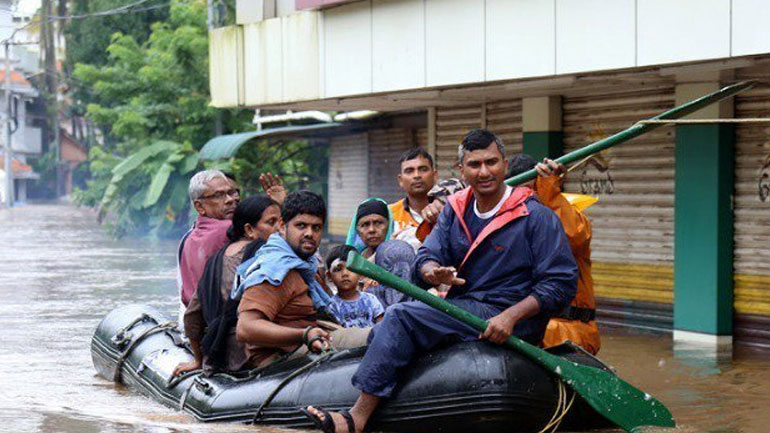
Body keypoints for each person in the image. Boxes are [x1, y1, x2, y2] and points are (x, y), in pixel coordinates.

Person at [302, 129, 578, 433]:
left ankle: (356, 418)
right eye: (475, 165)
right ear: (462, 170)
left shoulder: (536, 215)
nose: (484, 172)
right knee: (397, 316)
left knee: (401, 316)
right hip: (469, 308)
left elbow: (560, 283)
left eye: (492, 162)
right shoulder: (456, 210)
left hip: (513, 315)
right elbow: (428, 254)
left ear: (504, 163)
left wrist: (511, 316)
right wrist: (432, 271)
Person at [234, 191, 370, 368]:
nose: (309, 233)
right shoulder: (275, 269)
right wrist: (305, 334)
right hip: (282, 359)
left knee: (391, 327)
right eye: (301, 226)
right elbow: (245, 329)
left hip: (316, 339)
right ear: (283, 226)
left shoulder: (306, 264)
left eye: (316, 227)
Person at [172, 195, 281, 376]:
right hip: (256, 352)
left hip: (221, 353)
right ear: (249, 230)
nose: (279, 229)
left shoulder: (216, 259)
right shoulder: (266, 257)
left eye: (281, 221)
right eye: (272, 222)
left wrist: (198, 360)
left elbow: (192, 316)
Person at [507, 154, 601, 355]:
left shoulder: (565, 213)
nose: (527, 197)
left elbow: (573, 236)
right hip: (524, 328)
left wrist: (548, 191)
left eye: (532, 189)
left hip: (569, 330)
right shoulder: (507, 221)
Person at [177, 170, 240, 311]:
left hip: (197, 320)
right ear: (199, 206)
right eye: (218, 195)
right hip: (223, 321)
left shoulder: (189, 237)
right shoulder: (229, 230)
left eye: (232, 192)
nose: (230, 199)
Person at [389, 148, 438, 249]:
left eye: (423, 169)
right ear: (400, 180)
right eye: (409, 171)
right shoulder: (389, 214)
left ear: (434, 175)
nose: (417, 175)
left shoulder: (447, 211)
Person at [325, 245, 385, 328]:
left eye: (351, 269)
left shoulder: (371, 300)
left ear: (360, 273)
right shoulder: (332, 306)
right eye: (338, 269)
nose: (345, 274)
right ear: (329, 276)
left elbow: (382, 327)